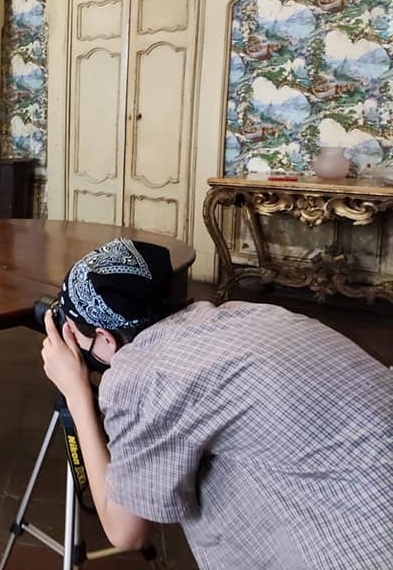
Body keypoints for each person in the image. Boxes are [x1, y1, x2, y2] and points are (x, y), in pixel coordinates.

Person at [39, 237, 393, 570]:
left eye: (75, 336)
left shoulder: (144, 374)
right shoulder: (245, 313)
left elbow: (126, 533)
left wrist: (77, 394)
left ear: (106, 338)